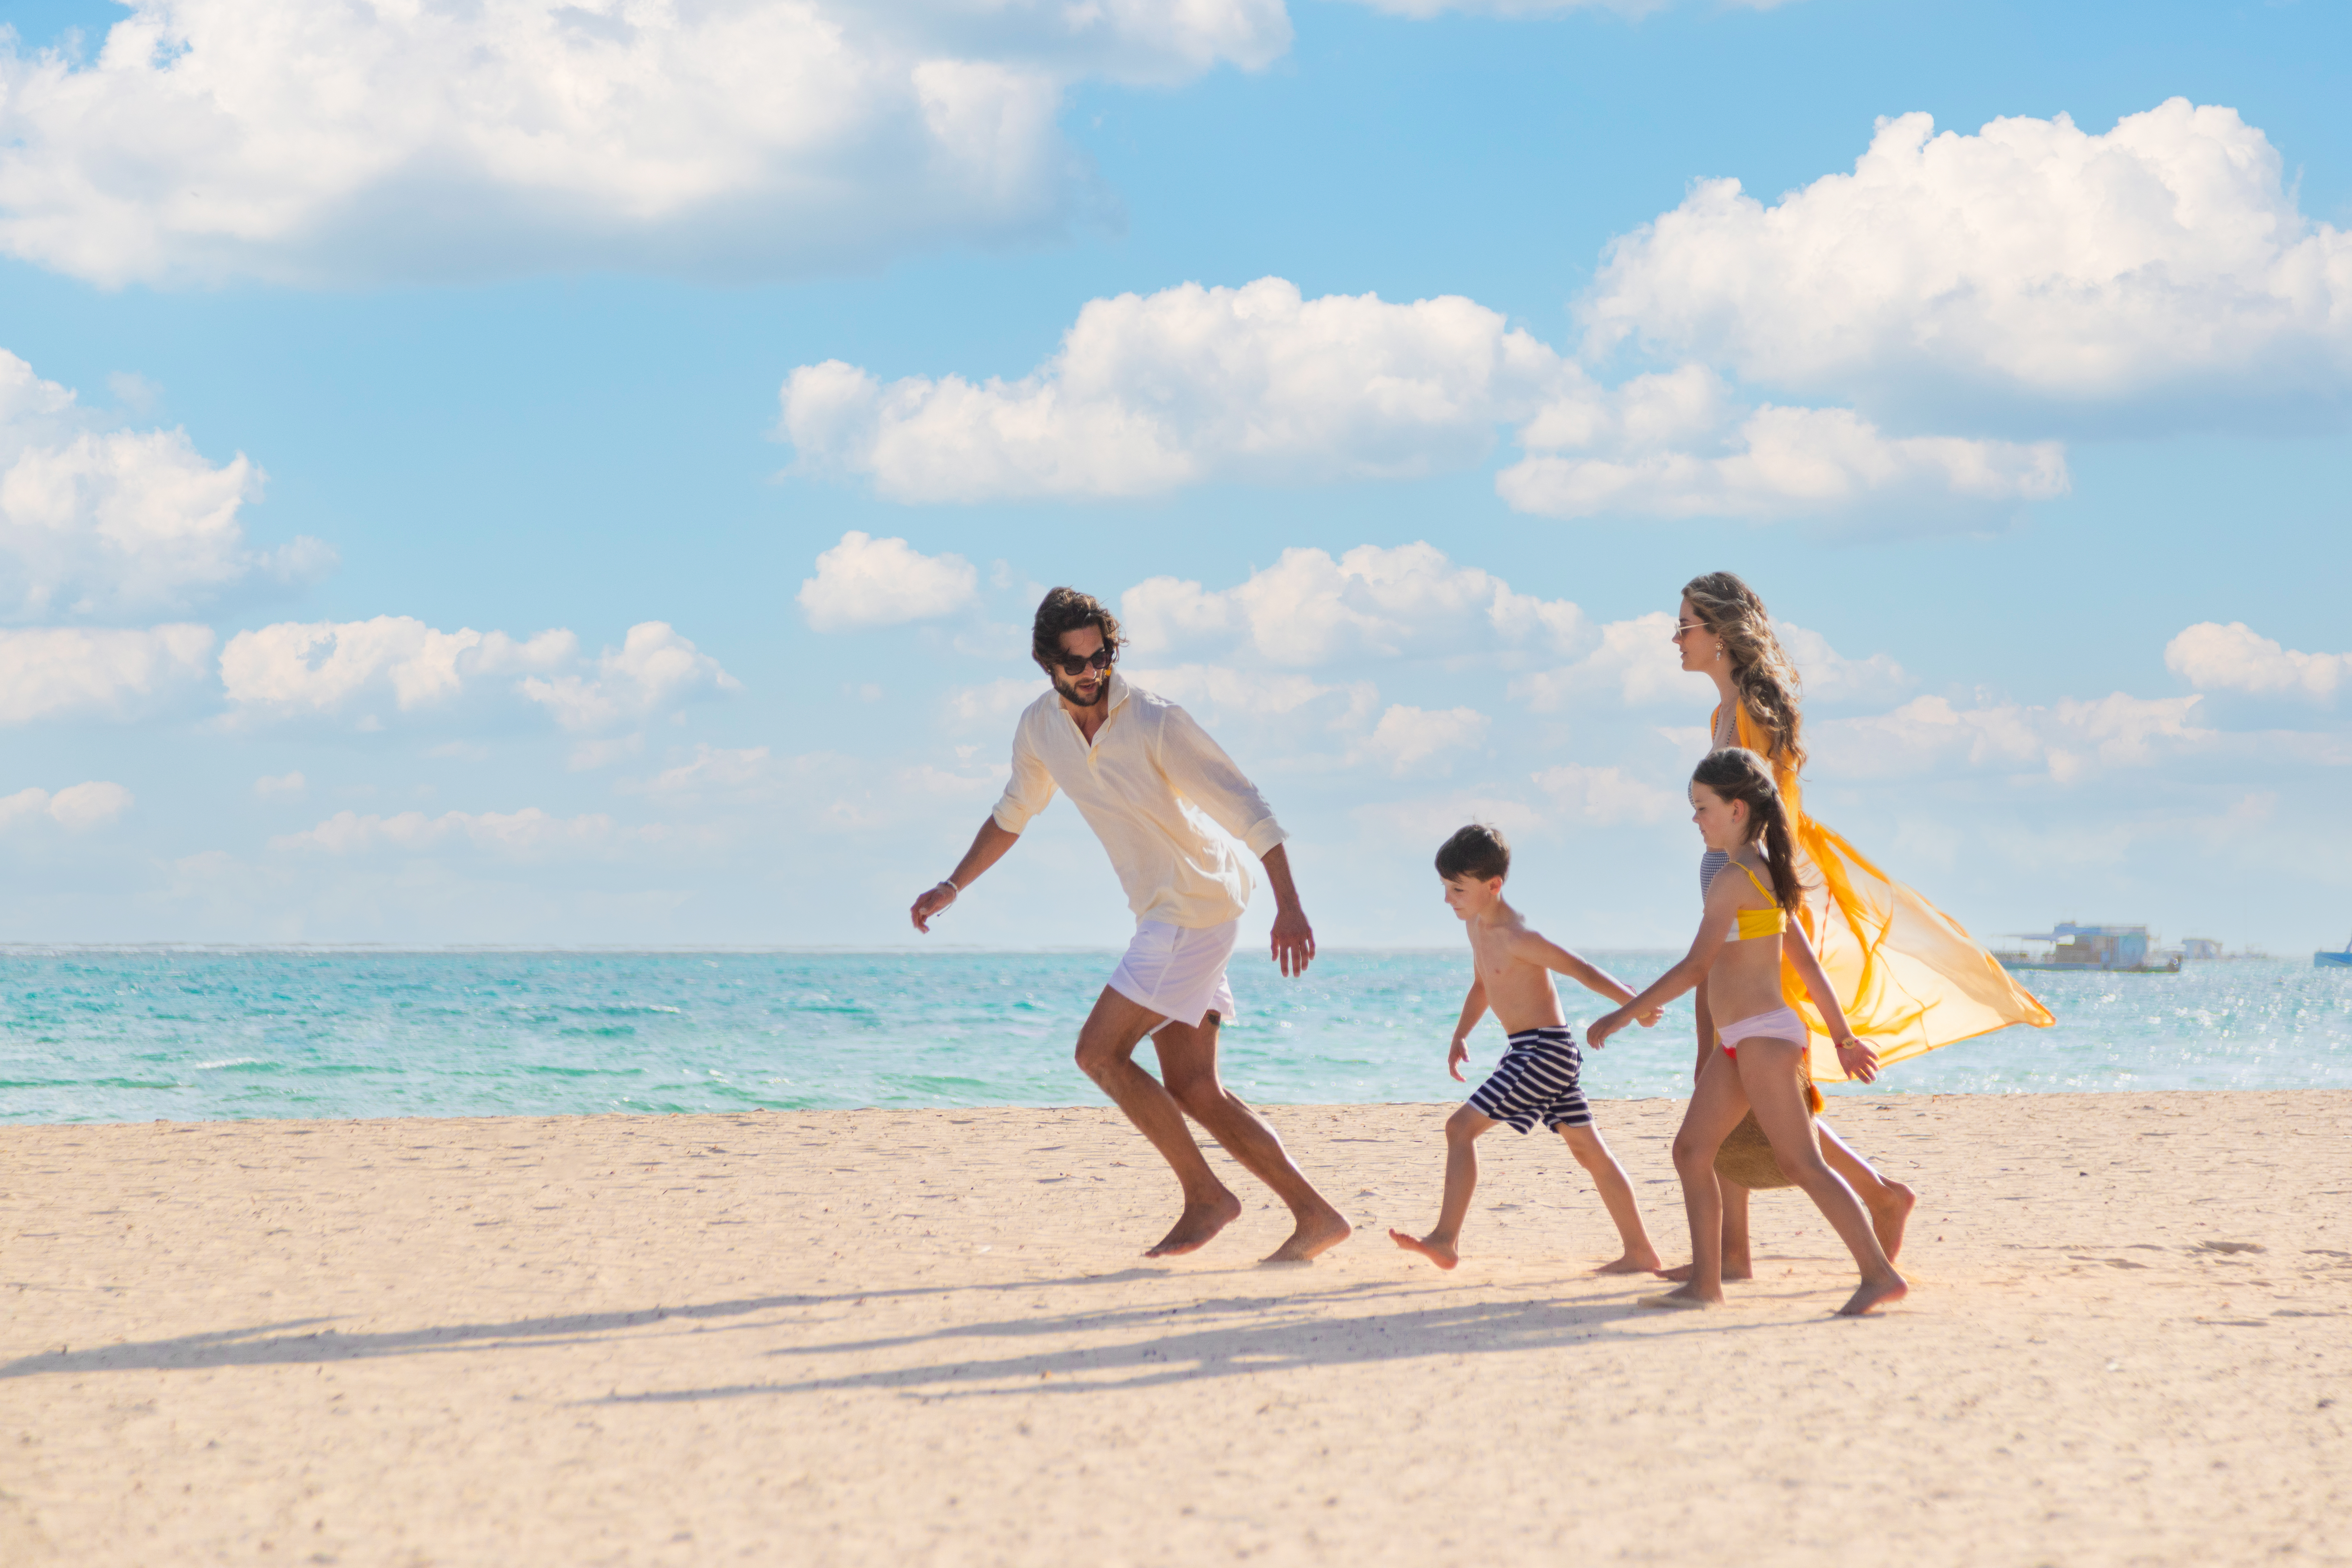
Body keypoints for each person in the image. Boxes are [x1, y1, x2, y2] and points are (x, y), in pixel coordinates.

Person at [909, 587, 1352, 1264]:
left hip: (1192, 907)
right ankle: (1316, 1216)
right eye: (1073, 662)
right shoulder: (1040, 729)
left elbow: (1247, 806)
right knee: (1197, 1088)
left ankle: (1207, 1197)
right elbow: (1012, 814)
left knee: (1098, 1054)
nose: (1089, 673)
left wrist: (1290, 905)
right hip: (1171, 910)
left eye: (1100, 657)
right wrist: (952, 884)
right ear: (1045, 662)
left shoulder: (1154, 720)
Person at [1665, 571, 2050, 1280]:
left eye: (1685, 625)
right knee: (1729, 1069)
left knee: (1746, 1071)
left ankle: (1860, 1202)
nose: (1675, 638)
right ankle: (1742, 1248)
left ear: (1719, 633)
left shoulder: (1749, 713)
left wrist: (1761, 910)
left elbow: (1766, 821)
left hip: (1756, 909)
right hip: (1737, 902)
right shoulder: (1722, 717)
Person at [1590, 749, 1907, 1316]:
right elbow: (1806, 968)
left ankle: (1878, 1274)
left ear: (1737, 810)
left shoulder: (1737, 879)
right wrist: (1843, 1038)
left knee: (1802, 1164)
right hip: (1745, 1039)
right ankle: (1706, 1283)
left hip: (1762, 1038)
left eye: (1702, 808)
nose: (1695, 820)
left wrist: (1621, 1014)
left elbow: (1694, 968)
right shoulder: (1762, 875)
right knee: (1692, 1150)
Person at [1389, 825, 1662, 1274]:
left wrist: (1634, 1008)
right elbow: (1483, 984)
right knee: (1588, 1150)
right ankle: (1640, 1252)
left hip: (1544, 1051)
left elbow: (1583, 970)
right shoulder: (1476, 925)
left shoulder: (1519, 935)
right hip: (1530, 1049)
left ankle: (1445, 1240)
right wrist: (1461, 1035)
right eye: (1444, 887)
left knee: (1461, 1130)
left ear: (1493, 886)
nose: (1448, 899)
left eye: (1458, 889)